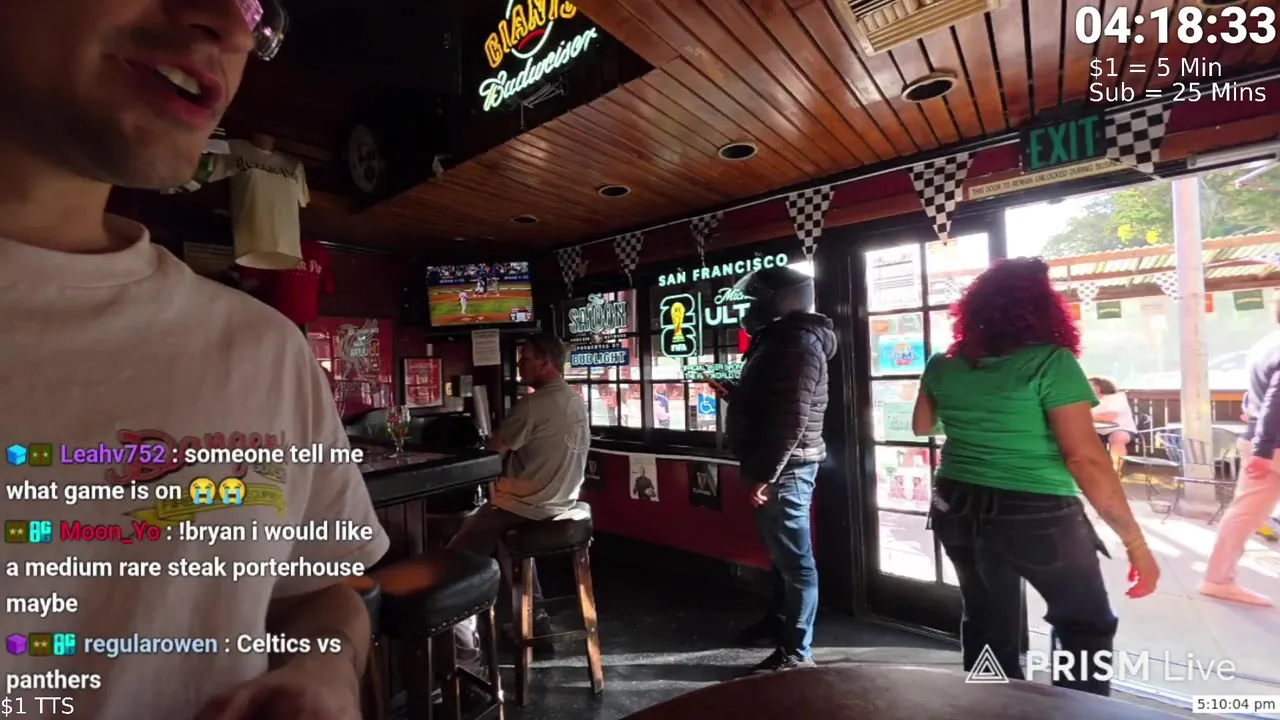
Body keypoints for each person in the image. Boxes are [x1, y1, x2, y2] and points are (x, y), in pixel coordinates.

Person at [0, 2, 388, 719]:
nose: (235, 28)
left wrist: (324, 670)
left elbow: (318, 590)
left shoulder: (265, 349)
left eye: (256, 6)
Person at [911, 258, 1158, 697]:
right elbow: (1085, 459)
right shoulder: (1051, 362)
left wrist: (974, 411)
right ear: (1044, 307)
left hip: (955, 502)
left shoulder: (942, 363)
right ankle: (1078, 711)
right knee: (1084, 624)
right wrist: (1135, 544)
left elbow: (922, 425)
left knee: (987, 619)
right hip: (1036, 510)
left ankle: (993, 707)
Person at [712, 266, 836, 674]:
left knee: (797, 564)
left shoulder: (797, 343)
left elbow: (790, 418)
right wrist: (734, 394)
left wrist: (765, 474)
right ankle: (780, 623)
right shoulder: (783, 339)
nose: (750, 308)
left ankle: (797, 651)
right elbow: (773, 403)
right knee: (783, 557)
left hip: (787, 469)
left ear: (781, 300)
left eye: (756, 300)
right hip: (781, 466)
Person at [448, 333, 591, 666]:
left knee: (455, 563)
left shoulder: (532, 405)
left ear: (545, 362)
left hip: (525, 506)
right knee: (509, 546)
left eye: (525, 358)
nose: (519, 364)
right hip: (561, 503)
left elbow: (491, 454)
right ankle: (534, 621)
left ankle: (465, 655)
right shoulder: (574, 400)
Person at [1201, 297, 1280, 606]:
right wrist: (1264, 447)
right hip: (1269, 444)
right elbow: (1277, 396)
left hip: (1259, 439)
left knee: (1244, 513)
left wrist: (1261, 443)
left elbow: (1254, 396)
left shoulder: (1264, 344)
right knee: (1245, 513)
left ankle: (1217, 578)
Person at [1088, 376, 1138, 472]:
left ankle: (1116, 471)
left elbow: (1109, 417)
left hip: (1121, 429)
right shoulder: (1086, 399)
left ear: (1100, 387)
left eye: (1089, 385)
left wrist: (1086, 415)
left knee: (1117, 438)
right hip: (1096, 430)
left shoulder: (1117, 397)